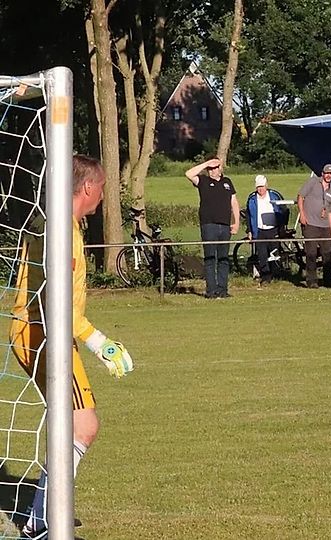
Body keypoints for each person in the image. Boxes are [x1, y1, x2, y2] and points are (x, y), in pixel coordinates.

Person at [10, 156, 135, 537]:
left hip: (44, 331)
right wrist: (101, 343)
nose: (102, 194)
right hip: (42, 334)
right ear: (87, 188)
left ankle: (44, 513)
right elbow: (57, 303)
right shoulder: (60, 231)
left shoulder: (59, 224)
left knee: (74, 425)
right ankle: (42, 520)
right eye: (101, 187)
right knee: (83, 426)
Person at [185, 157, 240, 298]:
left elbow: (234, 202)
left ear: (220, 168)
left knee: (223, 258)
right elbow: (188, 174)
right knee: (210, 258)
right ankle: (211, 290)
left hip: (225, 225)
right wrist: (206, 164)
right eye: (210, 168)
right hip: (209, 225)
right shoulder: (203, 181)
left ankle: (223, 289)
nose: (212, 171)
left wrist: (237, 222)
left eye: (215, 167)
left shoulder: (227, 182)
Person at [297, 165, 331, 288]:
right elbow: (300, 196)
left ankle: (329, 281)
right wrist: (302, 215)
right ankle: (312, 281)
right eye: (327, 173)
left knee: (328, 254)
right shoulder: (313, 182)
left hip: (325, 226)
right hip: (310, 223)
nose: (328, 176)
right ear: (322, 173)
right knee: (311, 253)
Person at [244, 175, 289, 286]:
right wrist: (249, 231)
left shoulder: (275, 195)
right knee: (262, 255)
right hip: (259, 230)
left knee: (274, 253)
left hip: (273, 229)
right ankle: (265, 276)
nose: (260, 189)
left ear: (266, 186)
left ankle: (277, 274)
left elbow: (284, 210)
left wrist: (282, 227)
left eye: (262, 187)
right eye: (258, 187)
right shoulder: (252, 199)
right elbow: (249, 215)